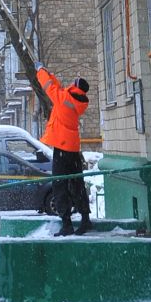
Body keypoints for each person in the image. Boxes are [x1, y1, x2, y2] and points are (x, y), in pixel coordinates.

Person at [36, 64, 91, 235]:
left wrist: (40, 72)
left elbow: (49, 87)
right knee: (77, 183)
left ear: (74, 87)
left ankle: (66, 223)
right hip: (73, 148)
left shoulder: (62, 99)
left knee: (59, 185)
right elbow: (58, 87)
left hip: (61, 148)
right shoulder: (75, 101)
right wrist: (49, 72)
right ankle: (85, 219)